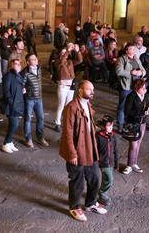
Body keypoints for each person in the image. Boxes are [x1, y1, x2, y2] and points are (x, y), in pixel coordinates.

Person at [59, 80, 106, 222]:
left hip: (89, 149)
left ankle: (90, 203)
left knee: (95, 178)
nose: (92, 92)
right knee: (77, 181)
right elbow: (67, 132)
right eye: (89, 89)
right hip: (76, 152)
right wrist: (72, 153)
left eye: (92, 90)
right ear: (80, 90)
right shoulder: (71, 107)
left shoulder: (88, 105)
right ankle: (74, 207)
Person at [115, 43, 146, 127]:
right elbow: (118, 71)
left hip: (136, 86)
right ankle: (120, 124)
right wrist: (131, 73)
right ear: (126, 50)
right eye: (131, 49)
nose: (133, 50)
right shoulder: (121, 59)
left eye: (134, 48)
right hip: (126, 86)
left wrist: (141, 73)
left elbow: (144, 70)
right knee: (122, 105)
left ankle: (130, 122)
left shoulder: (136, 59)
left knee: (132, 105)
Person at [54, 43, 83, 133]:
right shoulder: (57, 62)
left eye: (65, 53)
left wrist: (78, 51)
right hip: (62, 86)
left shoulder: (70, 62)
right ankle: (57, 123)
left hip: (70, 86)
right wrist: (67, 50)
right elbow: (62, 61)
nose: (65, 54)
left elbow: (80, 60)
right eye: (63, 53)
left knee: (68, 106)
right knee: (61, 105)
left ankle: (65, 121)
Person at [122, 78, 149, 175]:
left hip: (142, 123)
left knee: (138, 144)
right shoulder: (131, 96)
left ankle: (134, 163)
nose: (144, 90)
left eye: (145, 88)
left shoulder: (145, 96)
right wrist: (140, 112)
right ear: (137, 88)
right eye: (142, 88)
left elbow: (148, 105)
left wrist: (146, 111)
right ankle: (129, 165)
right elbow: (127, 111)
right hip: (133, 124)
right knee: (133, 145)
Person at [21, 54, 49, 148]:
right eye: (32, 59)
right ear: (28, 62)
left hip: (39, 98)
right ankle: (28, 139)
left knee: (41, 118)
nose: (35, 60)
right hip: (29, 99)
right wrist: (24, 90)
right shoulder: (25, 72)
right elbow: (22, 85)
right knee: (28, 119)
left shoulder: (39, 68)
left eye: (35, 58)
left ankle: (40, 137)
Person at [1, 59, 25, 153]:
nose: (19, 65)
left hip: (17, 104)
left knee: (14, 124)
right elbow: (6, 91)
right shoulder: (8, 75)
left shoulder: (18, 76)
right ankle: (5, 143)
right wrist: (11, 102)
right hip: (10, 105)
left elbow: (18, 87)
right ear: (11, 65)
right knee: (14, 124)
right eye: (16, 64)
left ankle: (10, 142)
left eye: (19, 64)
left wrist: (23, 90)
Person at [95, 115, 118, 208]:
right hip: (103, 163)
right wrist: (96, 161)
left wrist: (116, 163)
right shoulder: (98, 136)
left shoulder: (113, 136)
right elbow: (95, 150)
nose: (111, 127)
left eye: (111, 125)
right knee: (109, 180)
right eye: (109, 125)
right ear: (103, 127)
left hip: (111, 162)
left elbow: (116, 150)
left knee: (106, 179)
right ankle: (102, 194)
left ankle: (102, 194)